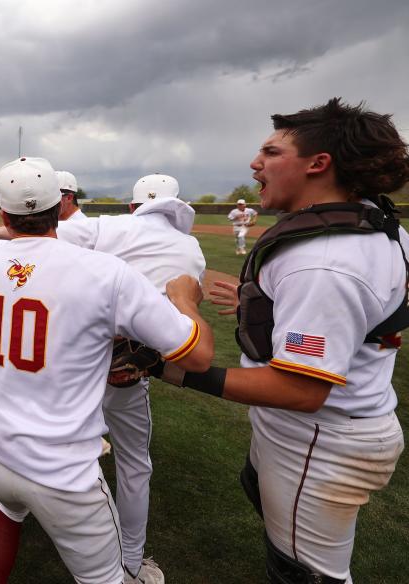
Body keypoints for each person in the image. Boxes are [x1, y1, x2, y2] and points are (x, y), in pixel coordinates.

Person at [181, 98, 408, 584]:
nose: (254, 163)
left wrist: (171, 368)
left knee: (303, 575)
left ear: (318, 163)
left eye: (271, 151)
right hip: (341, 420)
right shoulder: (372, 219)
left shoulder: (323, 262)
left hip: (321, 437)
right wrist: (285, 312)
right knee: (256, 486)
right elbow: (377, 309)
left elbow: (301, 391)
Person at [0, 157, 213, 584]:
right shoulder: (106, 272)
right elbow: (198, 356)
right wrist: (186, 300)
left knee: (6, 509)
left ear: (3, 215)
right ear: (60, 206)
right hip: (61, 471)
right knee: (107, 577)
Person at [56, 172, 205, 583]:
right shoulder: (192, 248)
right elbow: (185, 319)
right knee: (135, 466)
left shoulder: (109, 226)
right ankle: (131, 562)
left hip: (74, 365)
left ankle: (24, 513)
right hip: (132, 372)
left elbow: (44, 241)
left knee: (60, 451)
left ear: (133, 206)